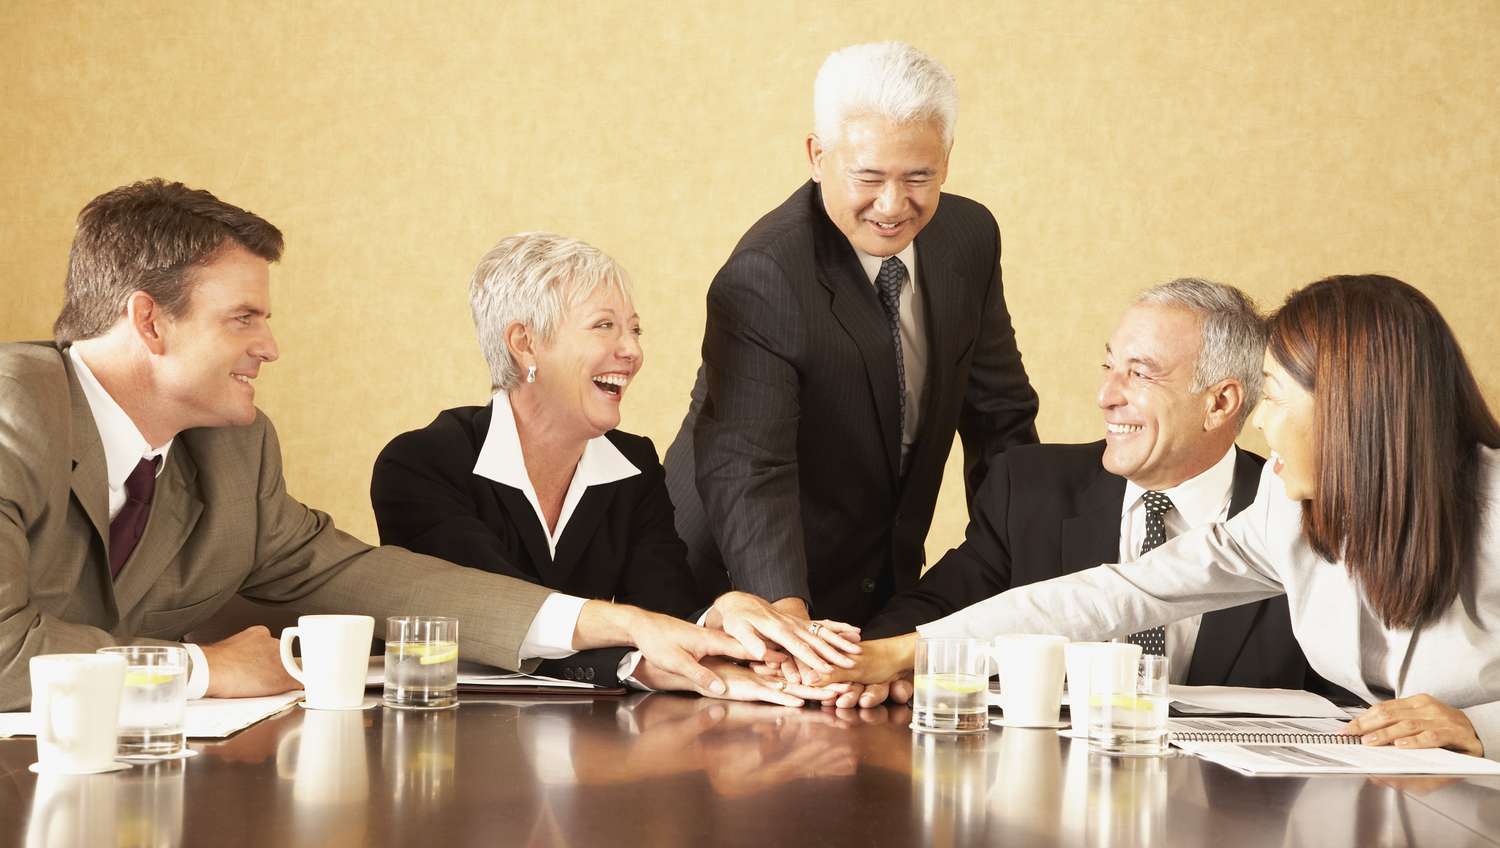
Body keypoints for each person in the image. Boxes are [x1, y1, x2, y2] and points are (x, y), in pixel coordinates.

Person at [0, 180, 841, 710]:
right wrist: (198, 670)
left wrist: (625, 624)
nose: (270, 346)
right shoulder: (16, 413)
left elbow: (369, 577)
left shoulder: (234, 453)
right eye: (243, 317)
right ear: (150, 321)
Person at [839, 275, 1500, 758]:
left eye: (1273, 398)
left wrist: (1477, 726)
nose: (1260, 423)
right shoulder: (1288, 507)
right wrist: (901, 653)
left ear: (1351, 410)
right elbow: (1118, 594)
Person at [371, 232, 858, 703]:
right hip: (454, 737)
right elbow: (494, 625)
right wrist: (633, 661)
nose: (632, 351)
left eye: (635, 329)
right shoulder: (421, 466)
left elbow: (663, 613)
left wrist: (717, 615)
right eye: (604, 326)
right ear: (525, 343)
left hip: (603, 743)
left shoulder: (633, 465)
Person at [663, 41, 1039, 631]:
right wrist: (786, 616)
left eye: (919, 177)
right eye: (868, 176)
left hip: (882, 581)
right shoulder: (766, 274)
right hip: (734, 584)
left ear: (946, 159)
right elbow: (749, 466)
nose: (892, 205)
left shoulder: (969, 236)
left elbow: (1001, 418)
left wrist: (1026, 577)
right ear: (818, 156)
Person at [843, 279, 1323, 707]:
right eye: (1108, 366)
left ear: (1219, 402)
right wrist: (880, 660)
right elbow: (1085, 601)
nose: (1105, 396)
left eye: (1140, 373)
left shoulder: (1300, 510)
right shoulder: (1029, 487)